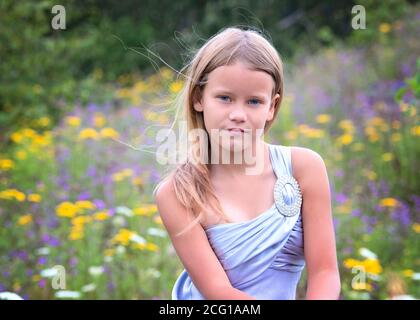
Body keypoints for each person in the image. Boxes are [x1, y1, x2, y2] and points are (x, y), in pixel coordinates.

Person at [153, 26, 341, 300]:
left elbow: (325, 272)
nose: (238, 114)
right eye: (225, 98)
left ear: (272, 107)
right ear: (198, 99)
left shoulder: (304, 169)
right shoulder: (177, 193)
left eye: (254, 101)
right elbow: (219, 292)